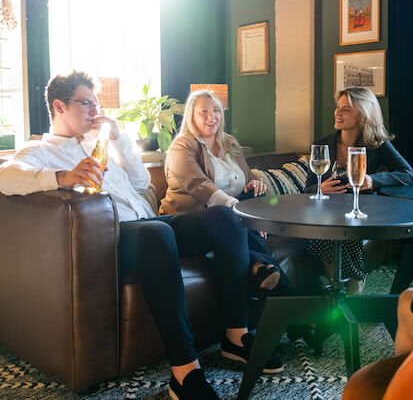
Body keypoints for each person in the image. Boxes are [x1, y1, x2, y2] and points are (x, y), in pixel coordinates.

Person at [0, 72, 282, 400]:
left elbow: (139, 184)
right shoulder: (40, 150)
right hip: (114, 238)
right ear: (59, 106)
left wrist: (120, 139)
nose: (95, 110)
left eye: (97, 103)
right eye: (86, 103)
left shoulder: (98, 145)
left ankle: (236, 336)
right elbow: (6, 178)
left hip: (150, 226)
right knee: (157, 231)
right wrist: (62, 176)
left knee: (225, 217)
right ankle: (185, 371)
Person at [160, 89, 287, 292]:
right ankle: (285, 289)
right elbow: (201, 187)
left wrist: (255, 185)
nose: (212, 117)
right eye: (204, 112)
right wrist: (245, 216)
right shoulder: (181, 146)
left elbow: (247, 178)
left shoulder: (230, 142)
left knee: (256, 196)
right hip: (193, 219)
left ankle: (261, 268)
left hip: (233, 215)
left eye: (216, 110)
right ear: (191, 115)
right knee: (235, 219)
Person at [304, 86, 413, 295]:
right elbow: (307, 187)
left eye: (346, 109)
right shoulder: (321, 144)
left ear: (363, 115)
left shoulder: (377, 145)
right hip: (328, 210)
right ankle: (348, 284)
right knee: (328, 233)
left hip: (362, 209)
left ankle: (347, 286)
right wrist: (320, 187)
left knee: (348, 232)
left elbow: (408, 174)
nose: (337, 112)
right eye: (338, 107)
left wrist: (373, 180)